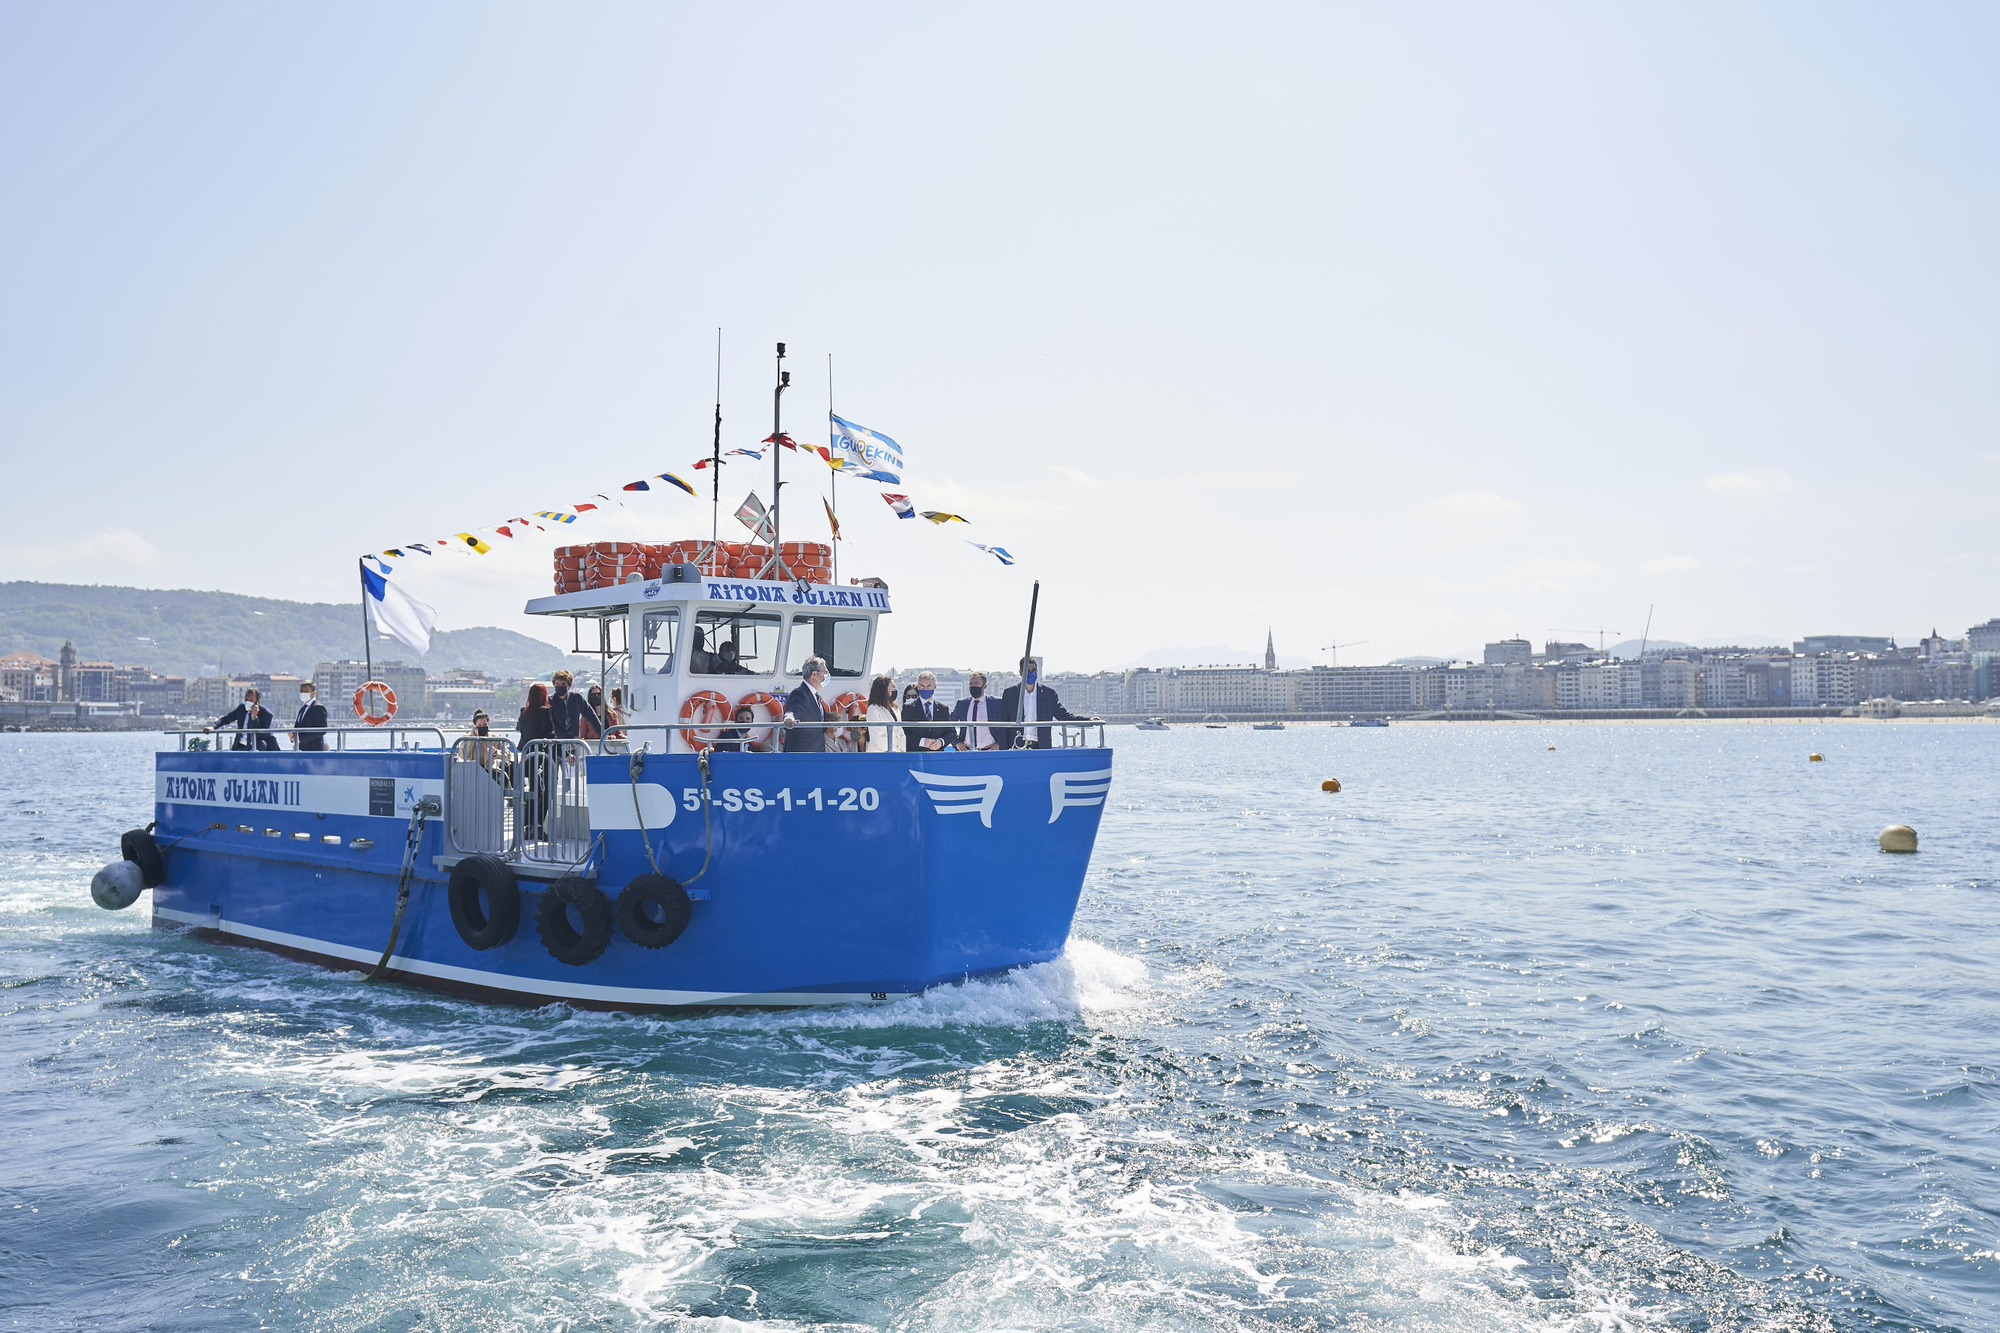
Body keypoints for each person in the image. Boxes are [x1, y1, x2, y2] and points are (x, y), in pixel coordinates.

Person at [997, 656, 1087, 749]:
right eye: (1027, 670)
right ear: (1020, 672)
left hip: (1041, 747)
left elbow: (1063, 716)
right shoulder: (1010, 694)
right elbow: (1003, 723)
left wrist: (1087, 720)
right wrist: (1003, 750)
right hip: (1016, 746)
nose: (1031, 673)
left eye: (1033, 670)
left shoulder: (1048, 694)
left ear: (1037, 671)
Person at [516, 684, 555, 839]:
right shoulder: (545, 711)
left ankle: (528, 826)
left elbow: (522, 733)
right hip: (543, 757)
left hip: (528, 756)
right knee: (546, 791)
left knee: (533, 792)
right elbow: (550, 735)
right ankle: (538, 826)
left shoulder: (523, 713)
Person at [781, 657, 828, 753]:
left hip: (814, 754)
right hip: (800, 754)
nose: (827, 675)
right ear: (814, 674)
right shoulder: (800, 694)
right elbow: (792, 709)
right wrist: (789, 718)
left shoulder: (814, 696)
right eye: (825, 672)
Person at [211, 688, 277, 751]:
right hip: (241, 744)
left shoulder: (266, 713)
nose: (248, 702)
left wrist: (254, 718)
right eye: (246, 699)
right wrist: (214, 727)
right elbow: (226, 718)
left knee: (261, 745)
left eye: (251, 700)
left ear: (257, 701)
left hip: (258, 745)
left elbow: (261, 735)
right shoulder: (241, 708)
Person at [902, 671, 952, 753]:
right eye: (922, 686)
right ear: (918, 686)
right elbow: (903, 733)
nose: (925, 689)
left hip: (937, 755)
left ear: (935, 687)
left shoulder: (943, 709)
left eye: (929, 686)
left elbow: (951, 732)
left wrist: (941, 741)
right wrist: (922, 742)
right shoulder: (908, 708)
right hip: (916, 755)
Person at [546, 670, 601, 742]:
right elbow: (551, 726)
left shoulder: (576, 698)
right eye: (557, 684)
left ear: (569, 686)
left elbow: (591, 716)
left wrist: (603, 734)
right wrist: (570, 737)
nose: (560, 687)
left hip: (574, 743)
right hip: (557, 742)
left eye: (563, 684)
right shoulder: (549, 701)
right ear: (554, 684)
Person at [952, 671, 1002, 750]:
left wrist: (1000, 744)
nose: (973, 686)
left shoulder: (996, 703)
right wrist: (956, 742)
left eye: (976, 683)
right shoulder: (962, 704)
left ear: (985, 686)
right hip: (967, 750)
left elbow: (1009, 723)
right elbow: (949, 723)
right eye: (971, 684)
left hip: (990, 751)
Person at [863, 675, 899, 753]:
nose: (895, 690)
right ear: (883, 690)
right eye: (892, 687)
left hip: (897, 753)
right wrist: (893, 750)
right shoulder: (873, 709)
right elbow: (878, 736)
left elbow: (901, 732)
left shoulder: (895, 709)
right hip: (880, 753)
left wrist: (901, 751)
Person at [290, 680, 328, 751]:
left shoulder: (318, 708)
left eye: (306, 691)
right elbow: (298, 727)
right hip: (301, 750)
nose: (303, 693)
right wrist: (293, 736)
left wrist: (301, 739)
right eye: (301, 691)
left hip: (314, 750)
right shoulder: (303, 708)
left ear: (314, 692)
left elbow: (322, 730)